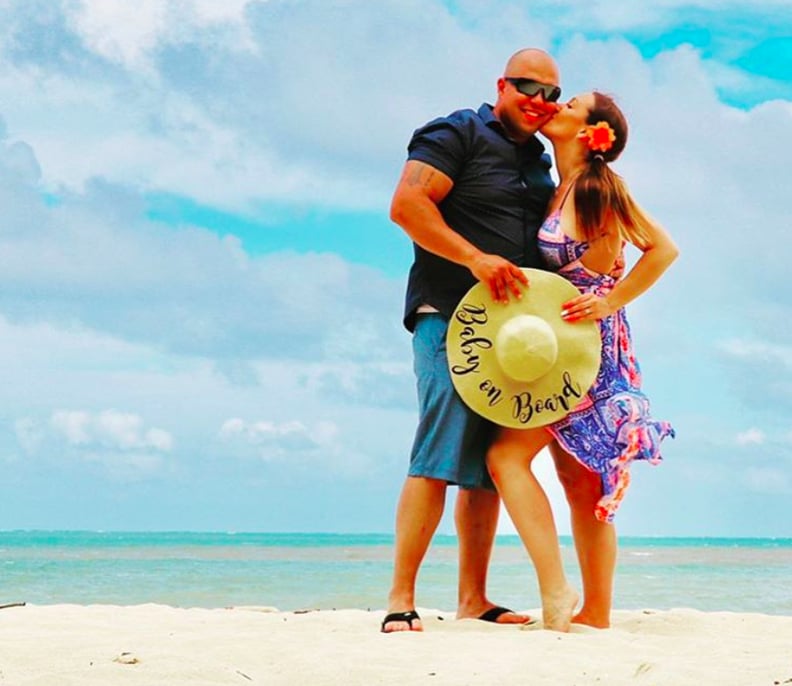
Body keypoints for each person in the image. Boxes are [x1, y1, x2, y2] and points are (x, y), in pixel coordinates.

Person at [381, 48, 563, 633]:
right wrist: (474, 258)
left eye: (551, 94)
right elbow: (407, 206)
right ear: (502, 85)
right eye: (527, 87)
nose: (539, 100)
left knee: (485, 467)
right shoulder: (456, 130)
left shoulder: (539, 162)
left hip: (516, 335)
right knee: (437, 452)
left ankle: (473, 598)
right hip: (447, 314)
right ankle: (399, 599)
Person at [486, 91, 678, 631]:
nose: (557, 107)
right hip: (562, 347)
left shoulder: (597, 189)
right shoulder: (559, 188)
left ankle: (568, 594)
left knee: (508, 459)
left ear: (591, 130)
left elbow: (662, 249)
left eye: (569, 104)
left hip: (588, 350)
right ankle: (592, 610)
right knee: (577, 480)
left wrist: (612, 299)